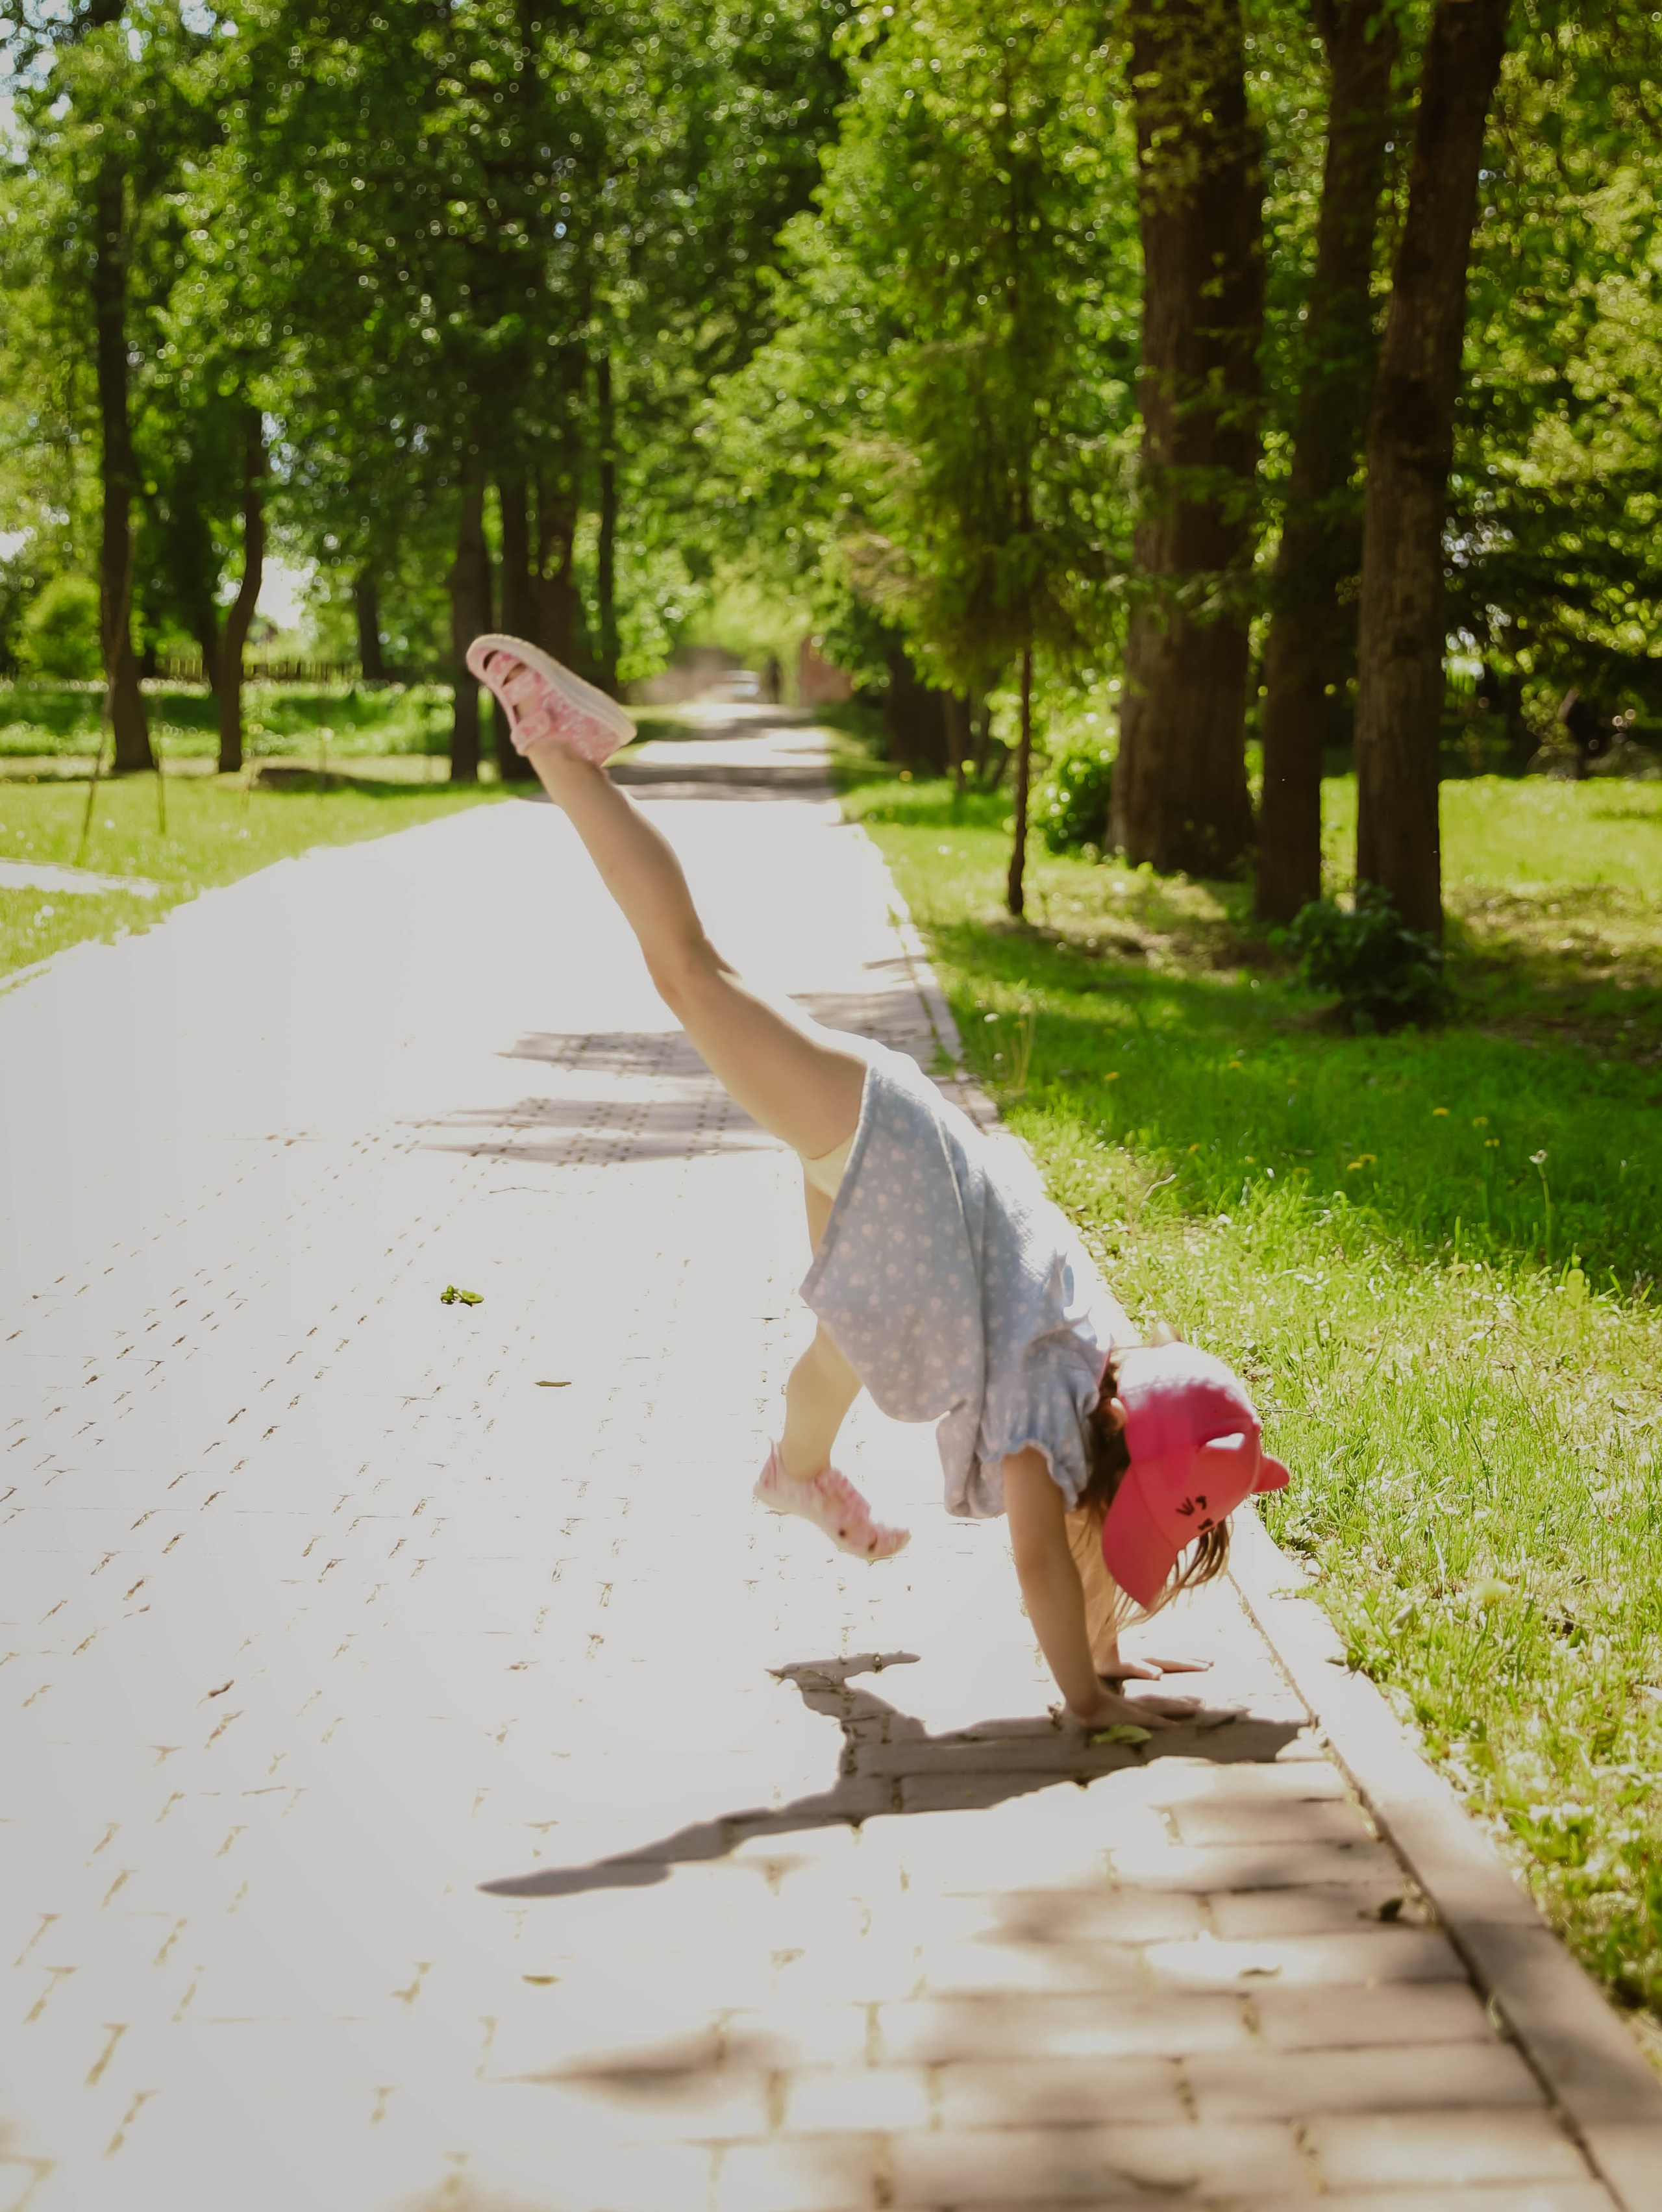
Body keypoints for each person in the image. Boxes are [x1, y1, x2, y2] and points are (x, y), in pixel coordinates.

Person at [467, 634, 1291, 1735]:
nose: (1112, 1530)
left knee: (842, 1345)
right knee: (690, 971)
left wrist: (1109, 1656)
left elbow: (1079, 1543)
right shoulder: (1046, 1416)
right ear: (1116, 1462)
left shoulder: (1091, 1374)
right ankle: (562, 749)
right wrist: (1087, 1700)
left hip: (896, 1182)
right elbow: (1042, 1562)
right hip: (879, 1145)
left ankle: (797, 1475)